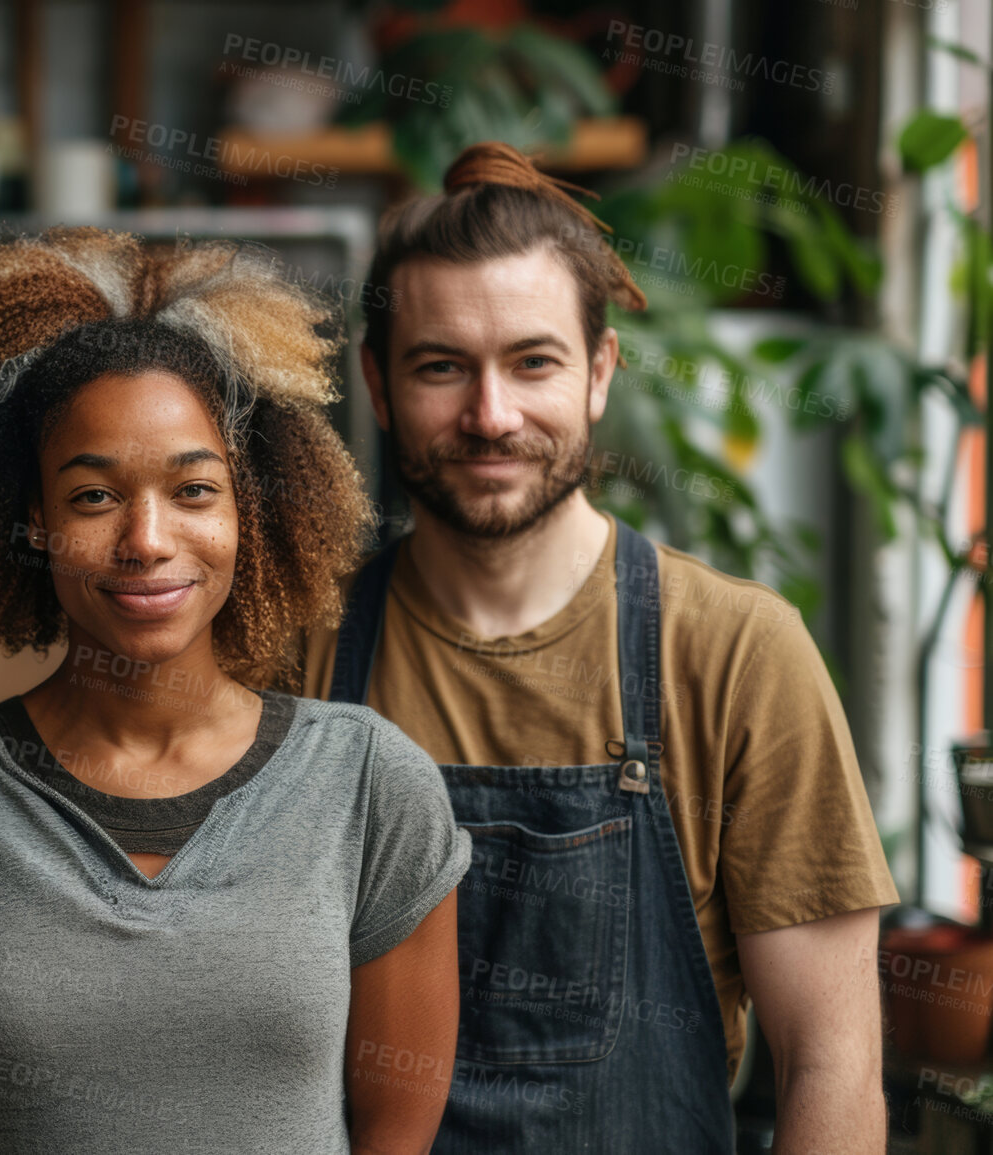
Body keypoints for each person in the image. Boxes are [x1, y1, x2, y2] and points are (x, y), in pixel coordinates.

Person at [304, 142, 899, 1153]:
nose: (490, 417)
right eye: (441, 367)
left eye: (532, 362)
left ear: (599, 372)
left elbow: (829, 1065)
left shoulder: (735, 654)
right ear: (376, 381)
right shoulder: (297, 650)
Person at [0, 228, 472, 1154]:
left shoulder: (371, 786)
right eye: (93, 496)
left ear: (250, 509)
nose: (146, 538)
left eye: (194, 491)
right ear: (35, 521)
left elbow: (394, 1138)